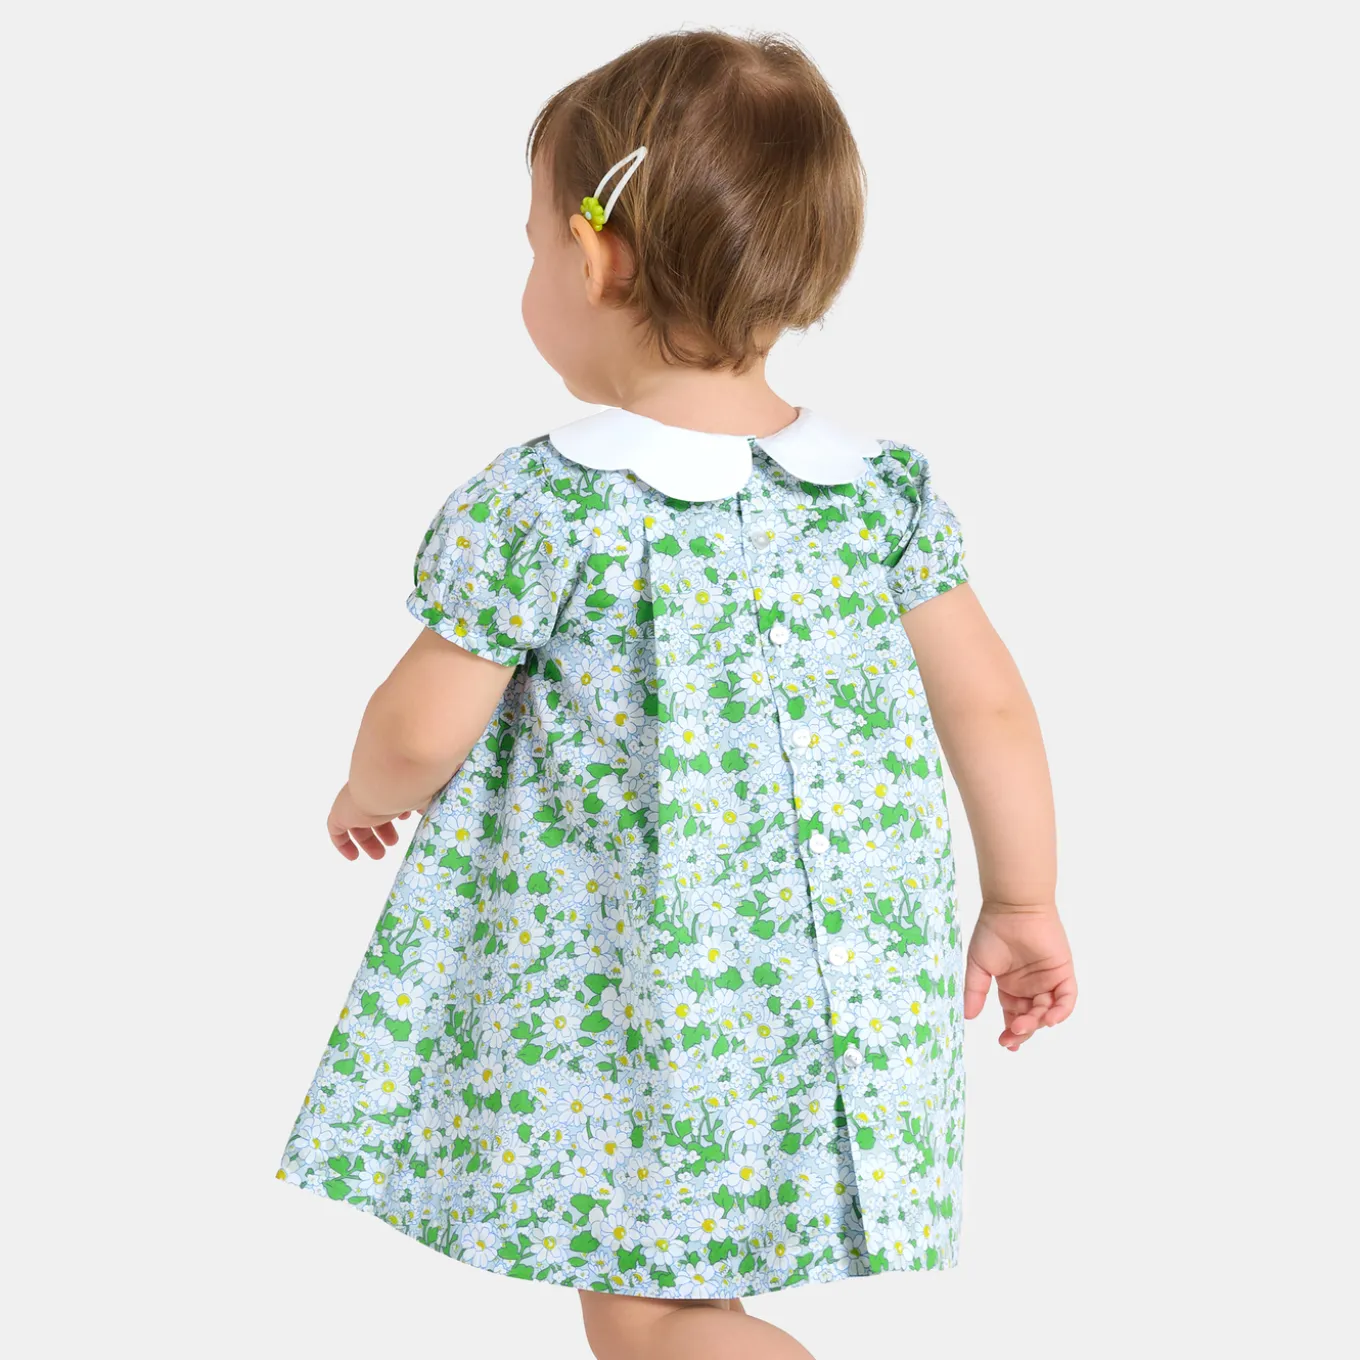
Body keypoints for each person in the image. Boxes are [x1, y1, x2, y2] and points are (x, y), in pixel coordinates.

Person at [276, 27, 1077, 1360]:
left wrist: (368, 790)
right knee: (691, 1304)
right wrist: (1022, 904)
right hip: (847, 991)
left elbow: (419, 727)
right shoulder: (876, 494)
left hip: (654, 987)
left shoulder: (551, 500)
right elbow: (990, 708)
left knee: (651, 1314)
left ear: (597, 259)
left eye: (533, 245)